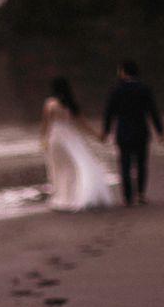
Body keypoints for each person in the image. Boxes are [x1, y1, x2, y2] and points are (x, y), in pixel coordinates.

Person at [42, 76, 113, 211]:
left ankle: (63, 198)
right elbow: (83, 124)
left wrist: (43, 141)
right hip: (70, 137)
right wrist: (97, 136)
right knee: (75, 166)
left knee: (60, 169)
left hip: (56, 139)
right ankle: (75, 197)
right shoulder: (71, 104)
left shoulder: (50, 104)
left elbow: (46, 125)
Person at [101, 60, 164, 205]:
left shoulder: (116, 90)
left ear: (123, 72)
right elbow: (153, 111)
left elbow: (109, 113)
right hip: (141, 131)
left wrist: (105, 132)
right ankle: (141, 194)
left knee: (124, 164)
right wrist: (160, 132)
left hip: (123, 132)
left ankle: (127, 197)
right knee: (141, 163)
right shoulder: (144, 89)